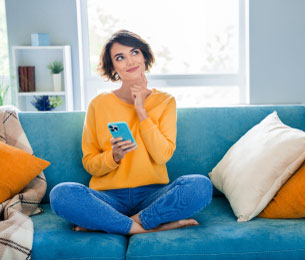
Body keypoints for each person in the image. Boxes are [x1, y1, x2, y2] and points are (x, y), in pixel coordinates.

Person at [49, 30, 213, 235]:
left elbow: (163, 156)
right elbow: (90, 163)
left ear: (144, 57)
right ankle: (147, 228)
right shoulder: (98, 104)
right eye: (120, 57)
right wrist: (113, 157)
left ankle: (119, 224)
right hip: (108, 198)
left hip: (153, 196)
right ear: (113, 68)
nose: (129, 61)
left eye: (134, 52)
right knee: (61, 194)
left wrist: (141, 111)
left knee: (200, 186)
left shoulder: (165, 102)